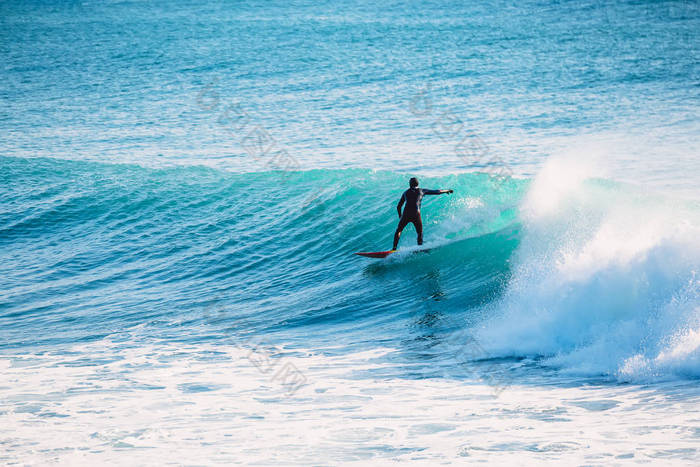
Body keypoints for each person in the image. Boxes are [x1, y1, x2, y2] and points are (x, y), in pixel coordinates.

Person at [393, 177, 453, 250]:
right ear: (417, 184)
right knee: (420, 233)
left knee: (399, 231)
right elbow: (437, 191)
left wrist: (400, 216)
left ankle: (394, 249)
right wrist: (447, 190)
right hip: (416, 214)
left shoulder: (405, 193)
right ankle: (420, 247)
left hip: (406, 214)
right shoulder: (422, 191)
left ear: (410, 184)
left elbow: (398, 206)